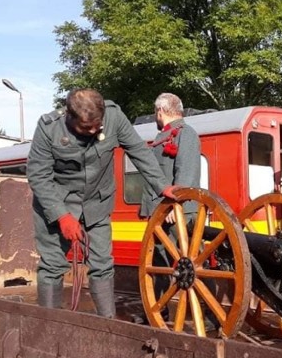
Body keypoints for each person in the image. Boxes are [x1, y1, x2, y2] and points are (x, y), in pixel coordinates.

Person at [27, 88, 178, 318]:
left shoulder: (114, 117)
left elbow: (138, 151)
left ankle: (109, 325)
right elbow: (38, 175)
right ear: (70, 116)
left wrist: (162, 185)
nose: (94, 130)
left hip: (97, 204)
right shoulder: (49, 128)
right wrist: (62, 216)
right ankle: (49, 325)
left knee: (103, 264)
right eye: (86, 128)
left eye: (98, 125)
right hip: (56, 204)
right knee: (52, 266)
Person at [139, 93, 211, 326]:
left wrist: (176, 205)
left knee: (194, 263)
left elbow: (186, 172)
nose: (155, 116)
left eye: (155, 112)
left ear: (160, 111)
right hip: (161, 212)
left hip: (178, 213)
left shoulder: (185, 134)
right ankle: (158, 310)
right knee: (158, 262)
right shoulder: (164, 136)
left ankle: (211, 315)